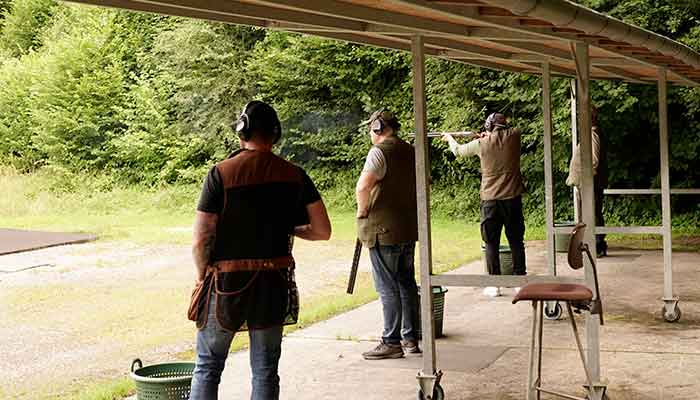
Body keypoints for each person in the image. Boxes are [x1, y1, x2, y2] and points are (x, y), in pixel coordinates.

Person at [188, 100, 331, 400]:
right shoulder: (294, 174)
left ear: (243, 131)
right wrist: (288, 228)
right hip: (273, 283)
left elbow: (202, 238)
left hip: (226, 284)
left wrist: (202, 275)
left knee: (208, 366)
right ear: (275, 134)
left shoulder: (221, 173)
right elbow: (322, 230)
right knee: (265, 369)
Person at [356, 109, 421, 360]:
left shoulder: (379, 152)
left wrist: (363, 211)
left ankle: (391, 341)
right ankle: (410, 338)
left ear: (378, 128)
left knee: (387, 287)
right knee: (406, 283)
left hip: (383, 230)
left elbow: (363, 186)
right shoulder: (412, 150)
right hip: (407, 228)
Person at [442, 113, 527, 297]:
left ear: (489, 126)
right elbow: (506, 135)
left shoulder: (481, 144)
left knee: (491, 242)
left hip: (491, 201)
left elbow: (458, 151)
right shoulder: (515, 136)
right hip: (512, 199)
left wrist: (450, 138)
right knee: (516, 241)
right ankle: (519, 281)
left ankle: (494, 285)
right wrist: (489, 135)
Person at [566, 107, 608, 257]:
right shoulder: (591, 133)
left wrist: (587, 178)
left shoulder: (593, 134)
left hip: (591, 182)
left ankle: (597, 245)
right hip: (588, 182)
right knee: (591, 212)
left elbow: (594, 160)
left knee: (594, 213)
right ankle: (596, 244)